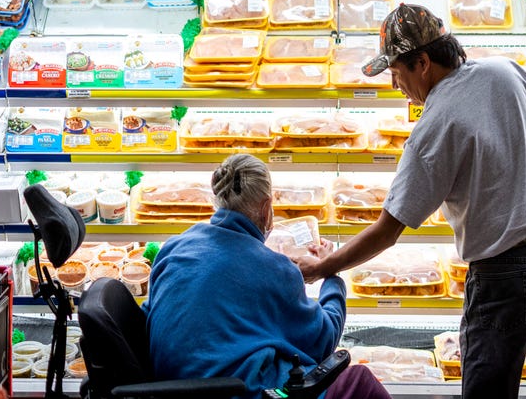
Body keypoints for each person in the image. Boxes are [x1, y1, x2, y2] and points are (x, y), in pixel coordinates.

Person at [295, 3, 526, 399]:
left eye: (396, 74)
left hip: (503, 276)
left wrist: (323, 266)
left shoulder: (432, 126)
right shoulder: (504, 71)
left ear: (422, 63)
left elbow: (388, 230)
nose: (395, 85)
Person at [142, 153, 391, 399]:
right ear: (265, 208)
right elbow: (324, 342)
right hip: (236, 389)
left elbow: (154, 311)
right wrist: (331, 272)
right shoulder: (272, 268)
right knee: (360, 382)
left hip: (166, 384)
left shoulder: (174, 246)